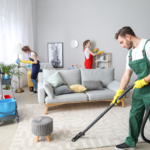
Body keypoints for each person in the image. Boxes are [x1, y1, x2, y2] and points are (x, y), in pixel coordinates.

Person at [111, 26, 150, 150]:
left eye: (122, 42)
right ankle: (131, 141)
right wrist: (119, 92)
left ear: (128, 37)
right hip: (139, 89)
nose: (122, 45)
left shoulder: (148, 46)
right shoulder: (130, 54)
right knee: (134, 115)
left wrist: (144, 80)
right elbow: (126, 76)